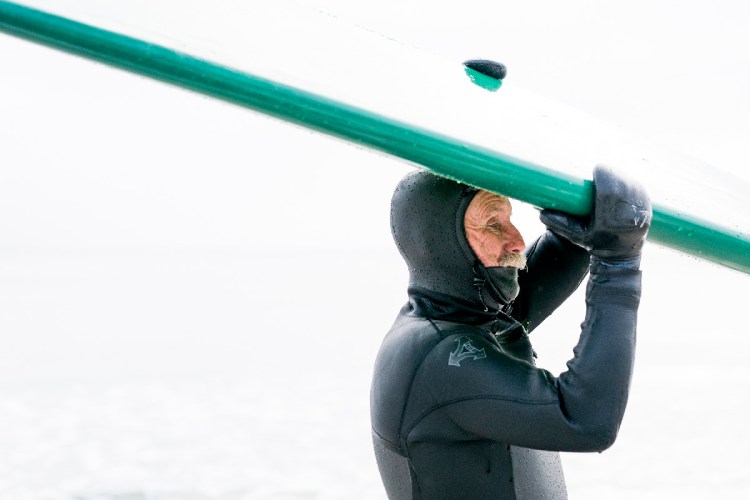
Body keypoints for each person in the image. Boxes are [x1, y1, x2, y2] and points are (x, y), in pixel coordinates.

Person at [370, 166, 651, 499]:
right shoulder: (438, 356)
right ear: (441, 244)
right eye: (493, 223)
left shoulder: (462, 316)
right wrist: (620, 266)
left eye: (509, 219)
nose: (517, 240)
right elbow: (586, 420)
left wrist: (581, 229)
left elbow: (551, 265)